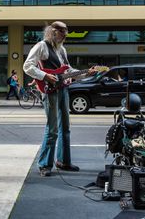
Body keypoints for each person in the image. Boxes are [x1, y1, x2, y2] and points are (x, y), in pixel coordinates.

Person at [23, 21, 96, 177]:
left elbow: (68, 70)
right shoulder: (41, 46)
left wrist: (86, 74)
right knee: (52, 129)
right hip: (50, 91)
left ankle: (63, 161)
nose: (65, 34)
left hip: (62, 89)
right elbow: (27, 66)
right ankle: (44, 164)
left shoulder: (62, 50)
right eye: (62, 31)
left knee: (65, 128)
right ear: (53, 31)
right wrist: (44, 76)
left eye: (66, 31)